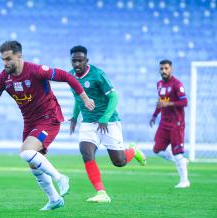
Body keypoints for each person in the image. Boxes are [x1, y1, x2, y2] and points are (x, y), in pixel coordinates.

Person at [0, 41, 95, 210]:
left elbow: (67, 76)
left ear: (19, 56)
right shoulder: (4, 77)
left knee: (26, 152)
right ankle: (54, 200)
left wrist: (85, 98)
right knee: (33, 163)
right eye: (2, 59)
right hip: (30, 122)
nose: (5, 63)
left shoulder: (36, 71)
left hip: (49, 118)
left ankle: (60, 178)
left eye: (8, 59)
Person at [69, 45, 146, 203]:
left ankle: (133, 151)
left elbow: (114, 97)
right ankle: (101, 192)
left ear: (86, 61)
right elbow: (78, 98)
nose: (77, 64)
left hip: (108, 122)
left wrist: (105, 117)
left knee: (119, 161)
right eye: (74, 61)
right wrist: (75, 116)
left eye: (80, 61)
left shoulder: (97, 75)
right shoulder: (71, 77)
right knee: (86, 152)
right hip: (89, 123)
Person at [149, 60, 189, 188]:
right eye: (161, 69)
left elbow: (184, 102)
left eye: (166, 68)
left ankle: (185, 181)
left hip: (176, 123)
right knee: (156, 150)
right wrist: (155, 115)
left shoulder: (177, 84)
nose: (163, 71)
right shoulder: (159, 84)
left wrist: (169, 104)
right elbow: (161, 101)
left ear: (171, 69)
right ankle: (182, 161)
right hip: (164, 123)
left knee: (177, 152)